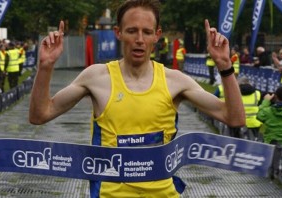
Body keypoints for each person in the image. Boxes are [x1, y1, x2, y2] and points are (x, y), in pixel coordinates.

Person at [29, 0, 245, 197]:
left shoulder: (175, 81)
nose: (140, 40)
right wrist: (45, 67)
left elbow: (234, 118)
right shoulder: (96, 78)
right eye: (132, 31)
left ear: (157, 35)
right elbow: (40, 115)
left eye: (146, 32)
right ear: (118, 32)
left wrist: (225, 67)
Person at [257, 86, 282, 150]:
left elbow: (259, 116)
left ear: (275, 96)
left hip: (270, 145)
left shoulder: (267, 111)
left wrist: (266, 101)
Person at [238, 76, 262, 141]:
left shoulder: (235, 94)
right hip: (254, 122)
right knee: (254, 141)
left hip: (240, 122)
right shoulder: (257, 93)